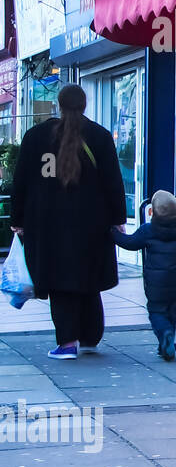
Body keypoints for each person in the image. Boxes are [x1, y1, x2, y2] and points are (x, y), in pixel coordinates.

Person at [10, 83, 126, 360]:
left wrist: (18, 219)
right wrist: (118, 218)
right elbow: (113, 181)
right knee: (89, 279)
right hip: (92, 224)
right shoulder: (98, 136)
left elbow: (21, 181)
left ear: (58, 105)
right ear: (84, 105)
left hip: (47, 224)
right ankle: (89, 338)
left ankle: (67, 342)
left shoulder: (36, 136)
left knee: (59, 281)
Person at [112, 191, 176, 361]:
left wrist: (114, 234)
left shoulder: (148, 230)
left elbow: (130, 243)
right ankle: (166, 345)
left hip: (156, 284)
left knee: (156, 312)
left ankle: (166, 336)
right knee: (171, 314)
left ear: (152, 212)